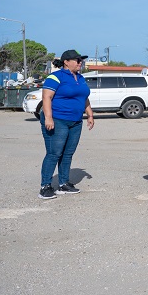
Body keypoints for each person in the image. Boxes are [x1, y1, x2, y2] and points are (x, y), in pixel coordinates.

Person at [38, 50, 94, 199]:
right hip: (57, 119)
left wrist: (90, 114)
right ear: (66, 62)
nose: (80, 63)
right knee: (54, 153)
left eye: (81, 60)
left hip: (75, 121)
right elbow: (46, 97)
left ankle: (63, 184)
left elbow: (84, 98)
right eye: (77, 60)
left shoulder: (80, 78)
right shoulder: (55, 77)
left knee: (68, 153)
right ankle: (45, 186)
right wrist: (48, 118)